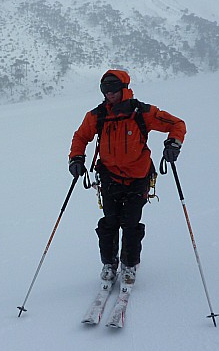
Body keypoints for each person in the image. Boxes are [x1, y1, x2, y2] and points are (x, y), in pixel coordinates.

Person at [68, 69, 186, 285]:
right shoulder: (97, 115)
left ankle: (129, 265)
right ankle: (109, 264)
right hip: (109, 177)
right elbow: (81, 136)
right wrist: (76, 158)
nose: (109, 93)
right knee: (109, 222)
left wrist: (173, 144)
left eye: (113, 88)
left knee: (130, 222)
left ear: (124, 88)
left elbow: (177, 124)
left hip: (138, 177)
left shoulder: (142, 112)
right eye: (105, 88)